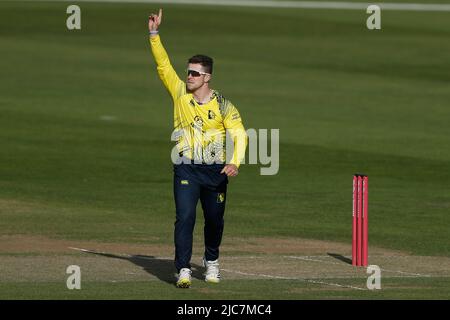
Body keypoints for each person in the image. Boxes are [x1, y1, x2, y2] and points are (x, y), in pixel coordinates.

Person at [148, 9, 247, 288]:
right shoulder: (180, 94)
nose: (188, 76)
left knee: (214, 220)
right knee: (186, 217)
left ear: (207, 77)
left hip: (216, 170)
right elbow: (163, 66)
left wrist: (235, 162)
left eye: (194, 73)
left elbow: (240, 134)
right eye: (188, 72)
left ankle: (211, 262)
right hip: (186, 166)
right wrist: (154, 35)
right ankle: (183, 269)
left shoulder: (224, 105)